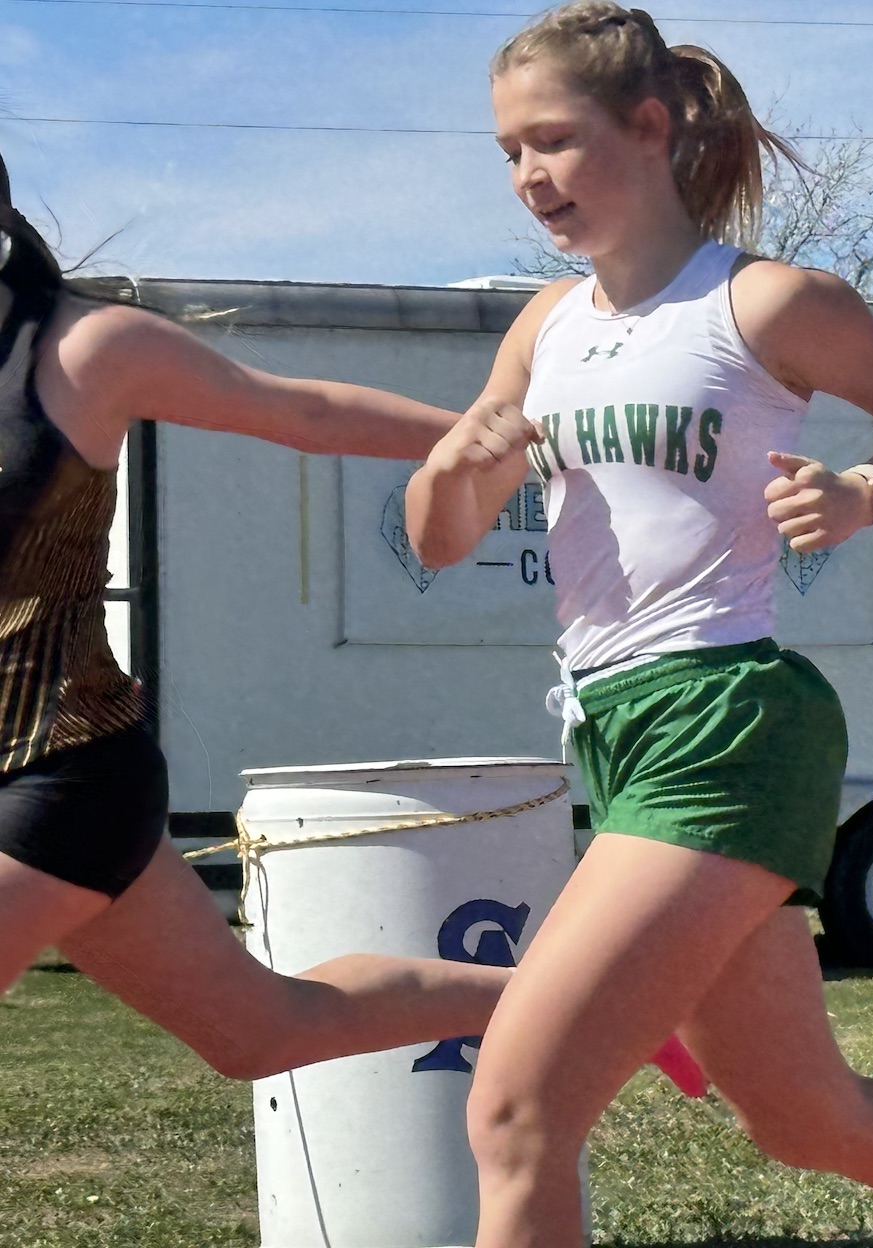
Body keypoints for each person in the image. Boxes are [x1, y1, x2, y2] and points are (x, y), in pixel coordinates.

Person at [401, 6, 873, 1243]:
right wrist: (459, 467)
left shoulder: (766, 301)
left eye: (553, 142)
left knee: (517, 1112)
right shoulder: (545, 326)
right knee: (803, 1116)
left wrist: (864, 493)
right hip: (614, 724)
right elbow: (436, 537)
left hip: (726, 715)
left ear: (648, 127)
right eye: (509, 152)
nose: (529, 177)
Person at [0, 156, 512, 1076]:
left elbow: (298, 410)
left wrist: (487, 441)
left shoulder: (84, 351)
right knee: (263, 1032)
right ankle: (586, 993)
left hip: (56, 777)